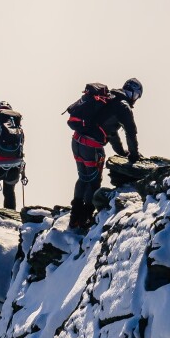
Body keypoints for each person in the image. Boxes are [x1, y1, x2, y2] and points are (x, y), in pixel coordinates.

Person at [65, 78, 142, 231]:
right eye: (137, 96)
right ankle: (85, 219)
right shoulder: (124, 107)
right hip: (91, 147)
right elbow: (131, 133)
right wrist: (133, 154)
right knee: (93, 182)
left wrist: (121, 152)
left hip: (77, 141)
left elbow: (111, 132)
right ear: (134, 94)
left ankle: (74, 218)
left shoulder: (109, 99)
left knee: (82, 178)